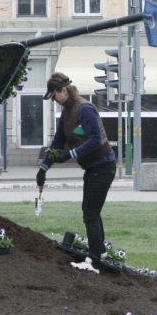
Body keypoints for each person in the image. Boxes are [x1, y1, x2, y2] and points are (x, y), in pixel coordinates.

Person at [36, 72, 116, 275]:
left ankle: (95, 260)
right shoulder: (67, 111)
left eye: (55, 95)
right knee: (90, 211)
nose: (54, 100)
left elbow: (96, 139)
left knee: (90, 212)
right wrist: (44, 168)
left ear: (63, 90)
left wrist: (69, 154)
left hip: (103, 166)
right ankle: (101, 253)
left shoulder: (85, 108)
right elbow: (57, 143)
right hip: (92, 168)